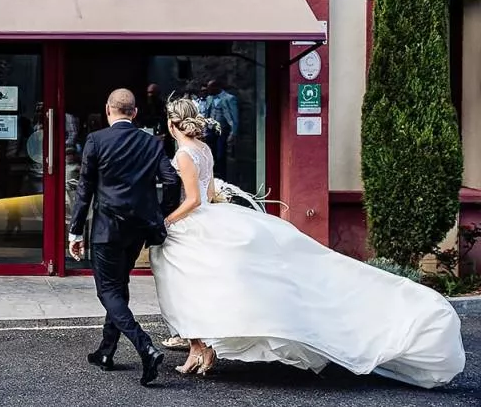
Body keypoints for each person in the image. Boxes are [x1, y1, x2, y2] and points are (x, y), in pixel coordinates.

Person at [150, 98, 466, 388]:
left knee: (190, 285)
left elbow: (194, 199)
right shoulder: (203, 149)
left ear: (172, 123)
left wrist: (167, 220)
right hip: (214, 217)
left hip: (195, 223)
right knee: (208, 285)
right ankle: (200, 346)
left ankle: (202, 346)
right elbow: (209, 192)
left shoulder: (184, 154)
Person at [68, 88, 182, 386]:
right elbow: (171, 180)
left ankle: (145, 346)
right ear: (134, 112)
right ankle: (106, 352)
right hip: (137, 230)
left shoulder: (96, 140)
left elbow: (84, 189)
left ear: (108, 110)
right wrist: (160, 214)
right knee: (119, 286)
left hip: (106, 229)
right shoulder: (151, 142)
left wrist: (75, 230)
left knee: (107, 290)